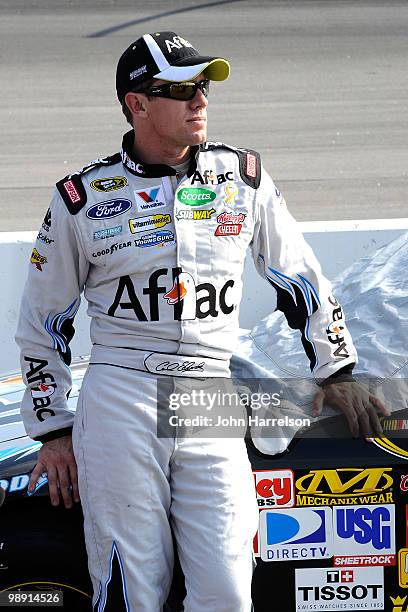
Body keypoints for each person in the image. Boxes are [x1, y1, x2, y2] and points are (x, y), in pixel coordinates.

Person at [15, 31, 389, 611]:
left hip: (211, 392)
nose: (200, 101)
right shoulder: (83, 198)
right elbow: (42, 323)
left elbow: (303, 280)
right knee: (131, 589)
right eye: (182, 89)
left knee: (227, 587)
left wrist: (336, 368)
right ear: (136, 104)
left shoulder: (243, 178)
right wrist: (55, 431)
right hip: (122, 392)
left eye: (204, 87)